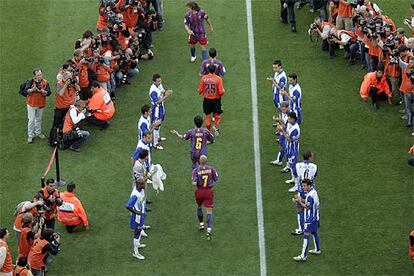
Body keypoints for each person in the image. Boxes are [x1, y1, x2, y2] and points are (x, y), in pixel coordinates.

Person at [49, 61, 80, 145]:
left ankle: (63, 139)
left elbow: (78, 89)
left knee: (66, 124)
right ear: (65, 77)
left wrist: (74, 84)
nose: (70, 79)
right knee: (56, 125)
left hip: (69, 107)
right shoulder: (59, 83)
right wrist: (66, 84)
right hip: (60, 108)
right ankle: (52, 140)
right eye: (68, 78)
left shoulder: (72, 82)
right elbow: (60, 93)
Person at [192, 155, 219, 241]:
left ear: (199, 161)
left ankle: (201, 224)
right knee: (209, 210)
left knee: (199, 206)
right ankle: (209, 229)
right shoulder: (211, 169)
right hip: (208, 191)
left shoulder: (196, 170)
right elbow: (217, 179)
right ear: (207, 161)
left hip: (199, 191)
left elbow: (193, 183)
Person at [291, 151, 318, 236]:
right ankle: (309, 226)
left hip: (302, 190)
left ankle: (301, 229)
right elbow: (315, 176)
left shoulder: (298, 165)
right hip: (310, 190)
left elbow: (295, 174)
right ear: (309, 158)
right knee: (310, 208)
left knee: (300, 210)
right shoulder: (314, 166)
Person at [293, 179, 321, 262]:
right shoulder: (313, 192)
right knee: (314, 233)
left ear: (309, 185)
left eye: (304, 186)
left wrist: (299, 201)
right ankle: (317, 249)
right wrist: (301, 199)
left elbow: (307, 207)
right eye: (302, 185)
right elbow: (309, 202)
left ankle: (303, 256)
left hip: (310, 219)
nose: (303, 187)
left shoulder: (310, 195)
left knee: (306, 235)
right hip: (316, 217)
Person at [22, 69, 51, 144]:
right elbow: (25, 91)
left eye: (41, 74)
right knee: (31, 120)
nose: (40, 76)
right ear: (34, 76)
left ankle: (38, 132)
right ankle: (30, 135)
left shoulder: (45, 82)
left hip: (40, 104)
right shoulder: (30, 81)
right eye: (38, 75)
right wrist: (32, 89)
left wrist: (43, 91)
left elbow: (49, 93)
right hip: (31, 104)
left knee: (38, 119)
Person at [125, 170, 148, 260]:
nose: (144, 185)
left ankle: (137, 244)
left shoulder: (139, 189)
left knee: (139, 231)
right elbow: (128, 206)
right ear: (138, 185)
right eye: (143, 184)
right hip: (137, 217)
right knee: (137, 232)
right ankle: (136, 252)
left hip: (141, 214)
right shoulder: (135, 194)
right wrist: (137, 212)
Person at [197, 64, 225, 136]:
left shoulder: (203, 78)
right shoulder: (218, 79)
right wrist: (223, 91)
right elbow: (221, 92)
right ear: (215, 70)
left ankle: (208, 131)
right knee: (217, 115)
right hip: (216, 100)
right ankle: (215, 126)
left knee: (207, 116)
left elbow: (199, 91)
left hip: (206, 101)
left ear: (208, 70)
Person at [149, 74, 172, 150]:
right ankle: (155, 144)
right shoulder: (153, 91)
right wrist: (166, 96)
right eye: (158, 81)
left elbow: (163, 91)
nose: (160, 82)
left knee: (160, 122)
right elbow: (157, 102)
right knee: (156, 125)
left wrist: (166, 92)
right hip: (156, 109)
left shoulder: (159, 85)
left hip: (161, 107)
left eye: (160, 80)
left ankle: (157, 137)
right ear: (154, 82)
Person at [277, 112, 300, 184]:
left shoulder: (295, 129)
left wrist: (282, 131)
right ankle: (293, 179)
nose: (288, 120)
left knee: (293, 164)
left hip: (293, 148)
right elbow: (287, 132)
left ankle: (296, 183)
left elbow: (289, 140)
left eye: (289, 119)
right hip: (289, 147)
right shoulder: (291, 125)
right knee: (290, 163)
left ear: (293, 119)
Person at [270, 101, 290, 166]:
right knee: (281, 147)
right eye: (282, 109)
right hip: (282, 134)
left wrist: (279, 125)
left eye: (284, 109)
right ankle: (279, 160)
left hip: (285, 134)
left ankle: (288, 165)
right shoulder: (283, 113)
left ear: (288, 108)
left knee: (287, 150)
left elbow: (286, 126)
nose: (282, 110)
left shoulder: (289, 116)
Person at [398, 56, 414, 129]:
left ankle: (411, 120)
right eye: (409, 62)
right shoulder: (405, 66)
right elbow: (400, 62)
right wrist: (396, 54)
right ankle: (409, 121)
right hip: (405, 90)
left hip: (412, 92)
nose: (410, 64)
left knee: (412, 107)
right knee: (408, 106)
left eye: (412, 62)